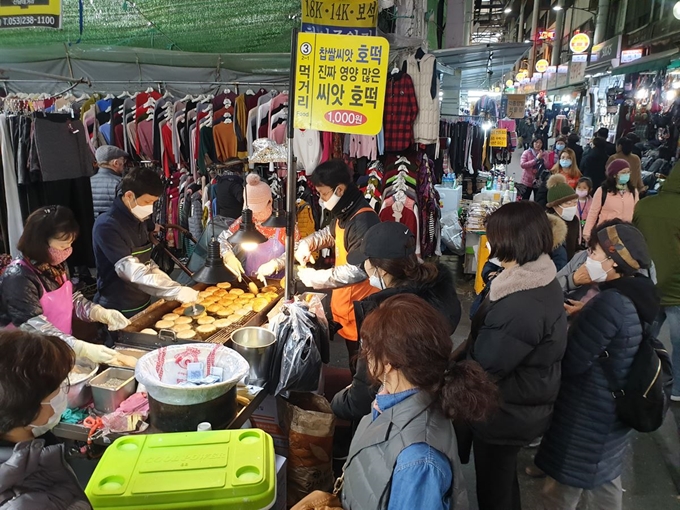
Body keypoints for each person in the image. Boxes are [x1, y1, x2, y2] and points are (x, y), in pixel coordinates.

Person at [535, 224, 658, 510]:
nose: (588, 256)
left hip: (587, 413)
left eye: (594, 251)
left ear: (614, 262)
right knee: (603, 477)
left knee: (561, 491)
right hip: (613, 410)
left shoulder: (609, 303)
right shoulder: (640, 293)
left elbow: (574, 361)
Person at [339, 294, 498, 510]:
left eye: (368, 348)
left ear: (388, 363)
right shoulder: (395, 400)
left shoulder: (419, 461)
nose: (364, 355)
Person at [464, 201, 567, 510]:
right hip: (519, 403)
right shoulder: (535, 277)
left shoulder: (520, 304)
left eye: (494, 236)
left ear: (513, 241)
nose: (490, 242)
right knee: (502, 481)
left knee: (493, 489)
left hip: (505, 412)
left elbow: (487, 366)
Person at [331, 222, 462, 422]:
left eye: (365, 261)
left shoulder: (388, 318)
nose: (363, 267)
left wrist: (336, 402)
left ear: (381, 270)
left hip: (392, 416)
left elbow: (361, 398)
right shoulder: (437, 294)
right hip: (428, 404)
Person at [0, 206, 125, 364]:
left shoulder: (56, 264)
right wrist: (80, 347)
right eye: (62, 246)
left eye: (70, 244)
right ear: (40, 242)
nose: (67, 251)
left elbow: (70, 298)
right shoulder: (18, 277)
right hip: (26, 357)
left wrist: (98, 312)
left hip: (59, 349)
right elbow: (34, 327)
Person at [295, 160, 380, 374]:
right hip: (346, 303)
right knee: (353, 358)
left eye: (324, 194)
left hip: (362, 307)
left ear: (339, 189)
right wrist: (308, 243)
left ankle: (360, 404)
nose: (323, 200)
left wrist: (314, 278)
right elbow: (330, 234)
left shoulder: (364, 220)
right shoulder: (345, 210)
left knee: (362, 366)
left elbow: (358, 270)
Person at [0, 329, 92, 510]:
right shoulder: (22, 502)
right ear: (29, 407)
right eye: (58, 387)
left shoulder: (35, 444)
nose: (62, 392)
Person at [93, 167, 199, 317]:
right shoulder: (107, 226)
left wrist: (171, 285)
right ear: (129, 196)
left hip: (143, 299)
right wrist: (174, 291)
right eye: (147, 202)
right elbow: (131, 271)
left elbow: (147, 264)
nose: (150, 209)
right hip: (117, 307)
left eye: (153, 203)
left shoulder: (139, 218)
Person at [634, 166, 680, 400]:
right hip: (677, 288)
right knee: (679, 341)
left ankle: (638, 377)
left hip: (648, 283)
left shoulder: (644, 205)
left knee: (644, 335)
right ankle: (677, 389)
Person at [219, 173, 300, 283]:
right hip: (250, 279)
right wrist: (227, 255)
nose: (255, 215)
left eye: (259, 210)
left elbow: (296, 249)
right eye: (251, 210)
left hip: (279, 283)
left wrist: (277, 263)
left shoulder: (284, 223)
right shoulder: (245, 221)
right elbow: (222, 239)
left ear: (270, 202)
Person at [583, 159, 639, 242]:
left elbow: (637, 213)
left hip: (627, 234)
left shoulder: (633, 191)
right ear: (614, 175)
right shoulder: (603, 191)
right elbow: (593, 212)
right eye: (623, 172)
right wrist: (587, 232)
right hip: (606, 233)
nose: (626, 175)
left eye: (628, 172)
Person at [545, 175, 579, 265]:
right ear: (555, 206)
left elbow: (575, 245)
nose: (572, 206)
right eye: (568, 203)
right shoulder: (548, 224)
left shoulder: (574, 220)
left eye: (575, 202)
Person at [91, 145, 128, 218]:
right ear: (116, 163)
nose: (124, 164)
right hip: (113, 227)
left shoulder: (88, 181)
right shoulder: (120, 183)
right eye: (123, 161)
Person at [214, 158, 244, 223]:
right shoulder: (234, 183)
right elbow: (242, 199)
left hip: (223, 218)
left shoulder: (221, 180)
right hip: (234, 220)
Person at [575, 177, 593, 249]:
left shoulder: (591, 202)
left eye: (584, 188)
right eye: (579, 187)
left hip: (586, 227)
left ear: (589, 190)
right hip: (576, 228)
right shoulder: (572, 201)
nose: (581, 190)